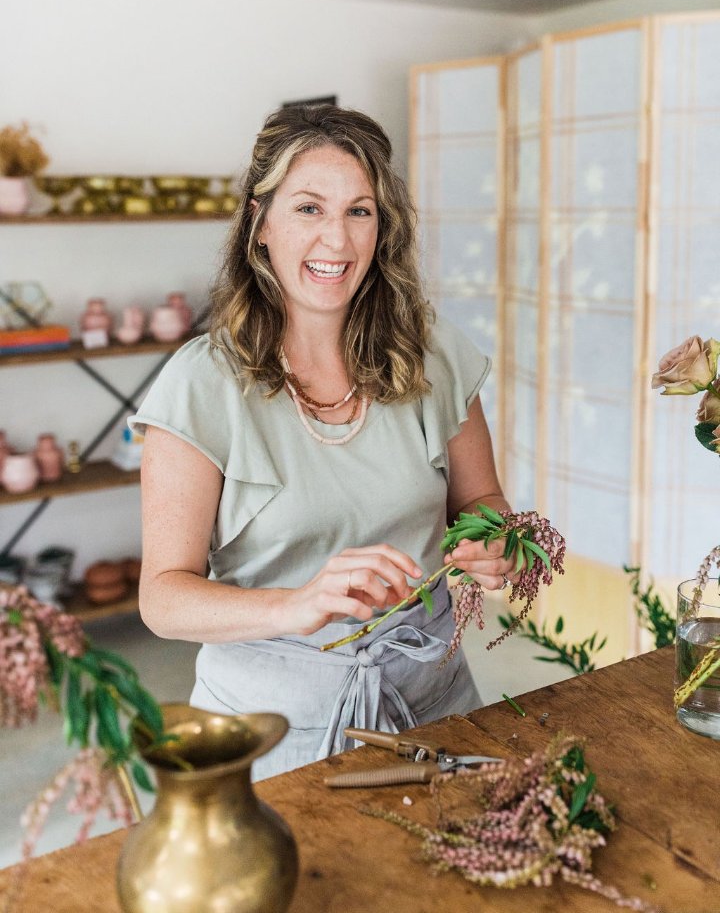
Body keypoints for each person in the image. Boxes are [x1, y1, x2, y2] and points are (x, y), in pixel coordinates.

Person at [129, 103, 515, 779]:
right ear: (260, 222)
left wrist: (491, 541)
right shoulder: (201, 384)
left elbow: (481, 501)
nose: (337, 240)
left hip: (434, 703)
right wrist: (296, 604)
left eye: (359, 211)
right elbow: (162, 597)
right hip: (269, 732)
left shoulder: (434, 355)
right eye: (309, 208)